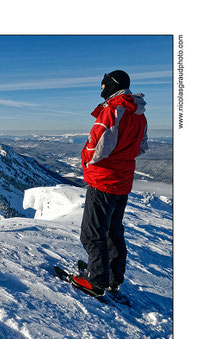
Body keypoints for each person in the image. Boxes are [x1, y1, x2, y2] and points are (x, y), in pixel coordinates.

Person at [70, 70, 149, 297]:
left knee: (92, 233)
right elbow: (142, 146)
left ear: (111, 86)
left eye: (103, 86)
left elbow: (96, 146)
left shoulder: (113, 110)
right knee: (113, 231)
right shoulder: (138, 113)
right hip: (123, 181)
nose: (101, 89)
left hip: (103, 181)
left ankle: (96, 282)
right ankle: (112, 278)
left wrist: (85, 158)